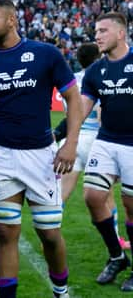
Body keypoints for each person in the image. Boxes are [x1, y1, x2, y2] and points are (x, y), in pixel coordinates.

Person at [0, 0, 82, 298]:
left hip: (41, 156)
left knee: (49, 234)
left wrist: (70, 143)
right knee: (5, 232)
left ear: (11, 20)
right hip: (1, 156)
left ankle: (60, 291)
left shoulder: (44, 54)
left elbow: (73, 98)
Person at [55, 43, 128, 249]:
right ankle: (116, 241)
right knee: (107, 196)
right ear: (97, 58)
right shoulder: (103, 77)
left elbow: (66, 114)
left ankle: (51, 234)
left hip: (72, 140)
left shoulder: (71, 80)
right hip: (97, 140)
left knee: (62, 193)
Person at [80, 12, 133, 290]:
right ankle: (117, 255)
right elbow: (81, 110)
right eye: (95, 31)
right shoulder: (95, 71)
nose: (97, 36)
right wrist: (59, 134)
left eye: (103, 30)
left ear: (121, 33)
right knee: (92, 196)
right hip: (107, 141)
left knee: (130, 207)